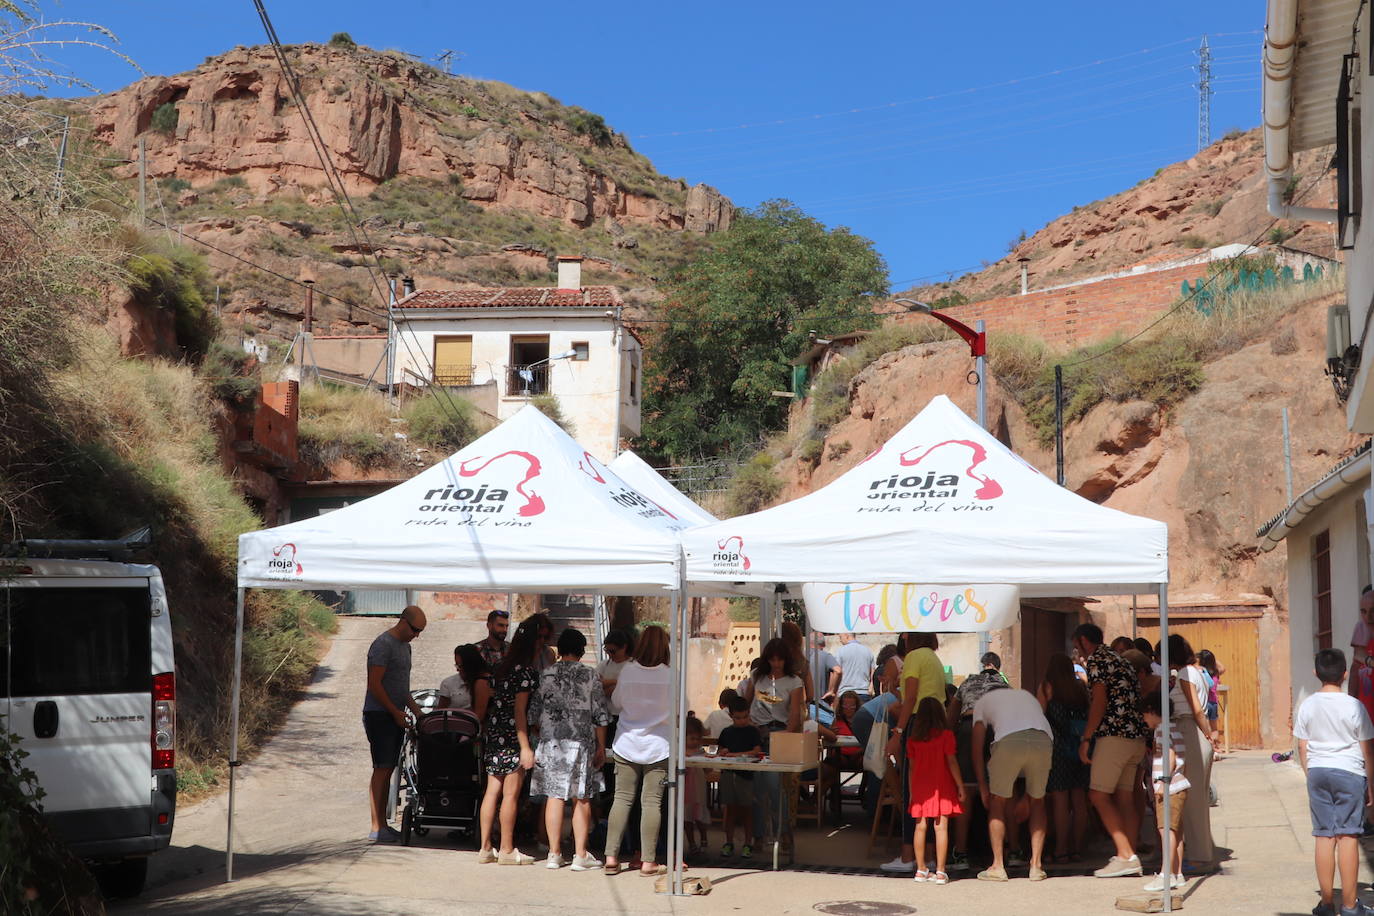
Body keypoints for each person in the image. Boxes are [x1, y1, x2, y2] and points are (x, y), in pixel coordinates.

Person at [1295, 648, 1374, 916]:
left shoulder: (1307, 705)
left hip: (1318, 771)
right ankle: (1351, 906)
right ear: (1344, 674)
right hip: (1349, 772)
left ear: (1316, 673)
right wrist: (1370, 783)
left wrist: (1310, 773)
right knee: (1348, 835)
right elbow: (1366, 750)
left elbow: (1302, 746)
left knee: (1324, 835)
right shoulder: (1354, 705)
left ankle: (1327, 904)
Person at [1073, 622, 1148, 879]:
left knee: (1098, 795)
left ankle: (1126, 854)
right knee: (1125, 797)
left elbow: (1100, 701)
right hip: (1135, 736)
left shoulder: (1097, 661)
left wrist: (1086, 738)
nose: (1078, 652)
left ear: (1083, 640)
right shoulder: (1121, 660)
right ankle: (1131, 851)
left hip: (1113, 736)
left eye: (1076, 645)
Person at [531, 628, 610, 871]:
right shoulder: (590, 675)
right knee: (581, 798)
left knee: (554, 796)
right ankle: (580, 854)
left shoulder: (545, 674)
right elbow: (600, 714)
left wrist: (543, 733)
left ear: (559, 649)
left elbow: (533, 713)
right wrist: (601, 746)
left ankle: (554, 854)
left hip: (551, 743)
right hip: (581, 744)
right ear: (582, 650)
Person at [603, 624, 673, 877]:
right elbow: (681, 706)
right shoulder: (669, 674)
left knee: (621, 799)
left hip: (626, 742)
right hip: (658, 745)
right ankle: (648, 861)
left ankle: (611, 856)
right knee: (651, 802)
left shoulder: (628, 670)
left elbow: (617, 703)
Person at [972, 687, 1053, 882]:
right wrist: (1026, 797)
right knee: (1038, 801)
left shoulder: (982, 703)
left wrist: (983, 786)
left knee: (998, 802)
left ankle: (998, 866)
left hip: (1008, 740)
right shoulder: (1026, 695)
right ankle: (1036, 866)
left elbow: (976, 747)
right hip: (1043, 739)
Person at [478, 616, 540, 865]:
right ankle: (506, 848)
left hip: (494, 732)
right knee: (511, 794)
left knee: (492, 791)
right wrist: (525, 746)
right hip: (513, 736)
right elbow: (519, 711)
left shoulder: (501, 667)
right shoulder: (525, 672)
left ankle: (485, 847)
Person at [362, 605, 427, 843]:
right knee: (382, 768)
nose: (416, 635)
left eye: (420, 631)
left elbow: (401, 688)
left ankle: (383, 824)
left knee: (389, 769)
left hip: (396, 714)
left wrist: (417, 712)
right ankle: (376, 826)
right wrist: (394, 712)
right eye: (415, 629)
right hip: (379, 714)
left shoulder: (405, 648)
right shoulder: (383, 645)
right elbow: (375, 685)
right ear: (403, 622)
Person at [882, 633, 945, 874]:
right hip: (936, 725)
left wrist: (897, 732)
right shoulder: (934, 658)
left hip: (918, 725)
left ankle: (908, 853)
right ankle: (928, 855)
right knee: (930, 790)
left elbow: (910, 698)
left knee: (913, 790)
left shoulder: (913, 658)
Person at [946, 650, 1011, 872]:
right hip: (996, 729)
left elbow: (951, 716)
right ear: (998, 668)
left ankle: (961, 853)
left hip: (968, 726)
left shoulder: (968, 682)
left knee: (968, 790)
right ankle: (1006, 852)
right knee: (998, 792)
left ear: (982, 665)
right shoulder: (1004, 685)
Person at [1158, 634, 1215, 869]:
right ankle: (1202, 851)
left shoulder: (1183, 674)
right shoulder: (1196, 671)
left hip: (1190, 729)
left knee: (1193, 800)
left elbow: (1196, 708)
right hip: (1195, 731)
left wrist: (1208, 733)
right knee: (1197, 797)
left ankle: (1200, 857)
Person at [742, 637, 804, 849]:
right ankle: (759, 835)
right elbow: (746, 703)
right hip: (757, 734)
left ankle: (783, 831)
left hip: (780, 732)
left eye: (780, 660)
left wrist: (787, 734)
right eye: (772, 660)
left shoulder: (794, 681)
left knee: (775, 786)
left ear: (786, 660)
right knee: (758, 788)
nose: (776, 664)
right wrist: (748, 724)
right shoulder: (756, 677)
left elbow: (795, 711)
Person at [906, 696, 965, 885]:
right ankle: (940, 871)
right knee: (941, 828)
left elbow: (911, 768)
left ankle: (921, 869)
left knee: (920, 826)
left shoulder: (913, 740)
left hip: (920, 787)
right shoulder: (946, 736)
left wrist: (912, 792)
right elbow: (952, 761)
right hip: (942, 785)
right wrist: (960, 785)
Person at [1037, 652, 1090, 865]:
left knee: (1060, 800)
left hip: (1057, 749)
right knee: (1079, 800)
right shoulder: (1079, 687)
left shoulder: (1047, 687)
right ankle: (1076, 848)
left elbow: (1039, 717)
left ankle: (1060, 850)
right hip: (1079, 748)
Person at [1140, 691, 1189, 892]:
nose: (1144, 719)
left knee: (1165, 830)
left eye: (1144, 714)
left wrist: (1163, 782)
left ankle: (1165, 874)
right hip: (1180, 785)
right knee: (1175, 831)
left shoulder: (1161, 730)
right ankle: (1177, 873)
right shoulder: (1175, 728)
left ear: (1152, 711)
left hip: (1168, 787)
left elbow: (1169, 754)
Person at [716, 695, 764, 859]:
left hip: (746, 776)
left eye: (745, 717)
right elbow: (720, 750)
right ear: (731, 716)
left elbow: (757, 751)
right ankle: (729, 842)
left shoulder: (752, 731)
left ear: (748, 714)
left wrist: (734, 754)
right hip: (729, 774)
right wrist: (722, 752)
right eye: (738, 718)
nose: (742, 721)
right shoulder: (726, 732)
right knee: (729, 809)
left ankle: (747, 843)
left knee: (746, 810)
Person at [682, 717, 712, 857]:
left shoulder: (701, 752)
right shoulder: (680, 753)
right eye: (692, 739)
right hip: (684, 793)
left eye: (698, 739)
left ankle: (704, 839)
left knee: (700, 817)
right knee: (686, 819)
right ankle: (692, 843)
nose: (695, 742)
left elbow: (708, 770)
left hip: (699, 792)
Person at [437, 644, 492, 720]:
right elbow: (440, 711)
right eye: (456, 665)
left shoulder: (483, 682)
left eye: (460, 666)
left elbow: (479, 716)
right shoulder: (448, 683)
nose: (457, 670)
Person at [836, 632, 876, 704]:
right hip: (864, 692)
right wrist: (871, 687)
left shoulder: (840, 651)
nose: (840, 640)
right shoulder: (867, 651)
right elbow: (873, 672)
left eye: (840, 637)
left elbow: (836, 672)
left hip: (845, 693)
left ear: (847, 635)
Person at [1196, 649, 1224, 744]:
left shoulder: (1200, 672)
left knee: (1205, 729)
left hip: (1203, 702)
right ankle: (1215, 748)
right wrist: (1212, 658)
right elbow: (1223, 668)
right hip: (1213, 703)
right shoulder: (1215, 672)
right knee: (1214, 729)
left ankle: (1208, 747)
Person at [808, 631, 842, 706]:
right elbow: (838, 671)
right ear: (824, 644)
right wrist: (833, 691)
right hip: (820, 704)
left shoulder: (800, 656)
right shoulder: (826, 656)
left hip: (801, 704)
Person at [597, 629, 633, 697]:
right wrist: (615, 681)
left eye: (612, 651)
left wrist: (606, 683)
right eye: (607, 651)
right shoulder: (604, 664)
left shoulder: (633, 665)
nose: (609, 654)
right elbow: (594, 684)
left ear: (624, 647)